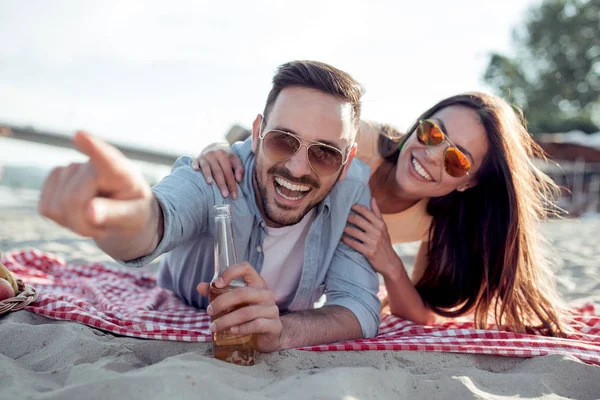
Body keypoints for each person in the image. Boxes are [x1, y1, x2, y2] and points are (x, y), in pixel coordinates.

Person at [39, 60, 382, 352]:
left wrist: (283, 332)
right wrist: (124, 215)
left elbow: (360, 306)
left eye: (325, 153)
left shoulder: (350, 192)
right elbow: (158, 219)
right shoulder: (216, 172)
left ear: (347, 159)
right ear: (258, 130)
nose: (297, 168)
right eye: (282, 140)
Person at [193, 91, 568, 336]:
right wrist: (215, 147)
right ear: (418, 124)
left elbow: (420, 315)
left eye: (456, 160)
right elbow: (269, 141)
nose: (430, 154)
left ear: (469, 183)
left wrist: (388, 262)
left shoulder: (435, 221)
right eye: (433, 133)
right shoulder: (364, 142)